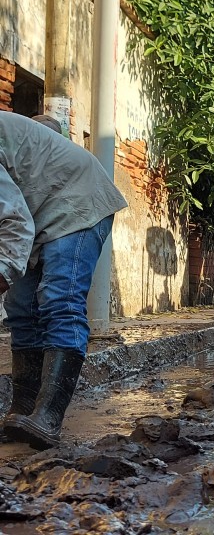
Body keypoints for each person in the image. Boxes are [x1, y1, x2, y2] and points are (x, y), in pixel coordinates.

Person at [0, 112, 128, 449]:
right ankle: (22, 411)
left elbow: (13, 224)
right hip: (39, 210)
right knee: (20, 307)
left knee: (60, 299)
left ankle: (48, 417)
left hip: (77, 199)